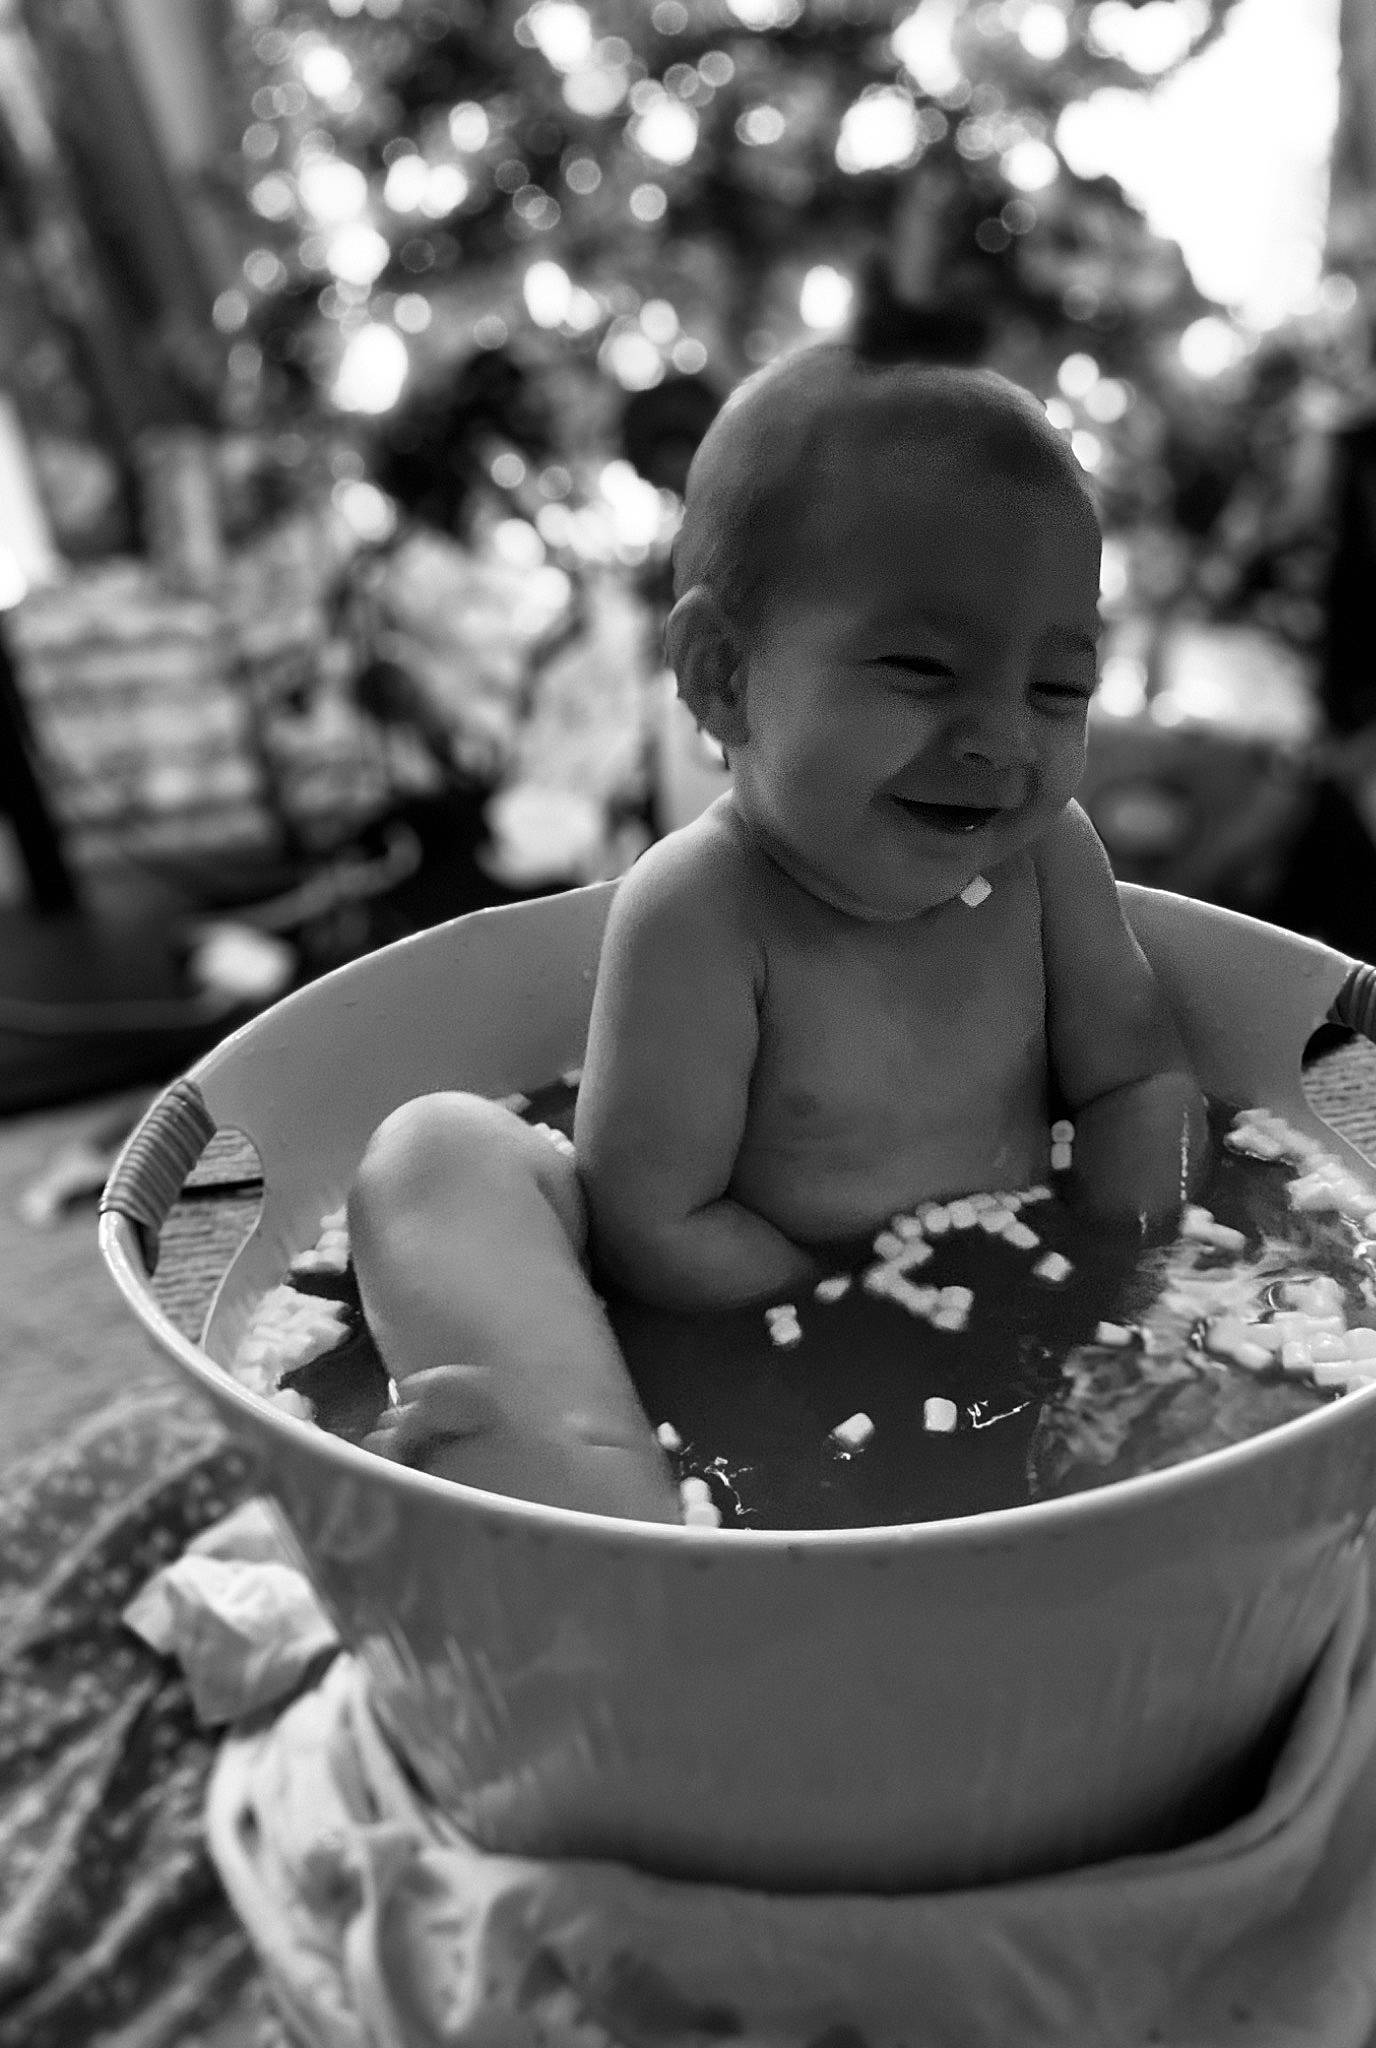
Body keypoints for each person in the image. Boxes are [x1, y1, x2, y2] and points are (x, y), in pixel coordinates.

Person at [347, 343, 1210, 1519]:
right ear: (722, 677)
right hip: (750, 1332)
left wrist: (1138, 1256)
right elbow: (654, 1222)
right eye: (923, 669)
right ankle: (584, 1496)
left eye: (1058, 689)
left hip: (1013, 1321)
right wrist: (843, 1299)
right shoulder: (699, 910)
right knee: (433, 1154)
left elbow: (1137, 1077)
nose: (1005, 740)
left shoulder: (1048, 862)